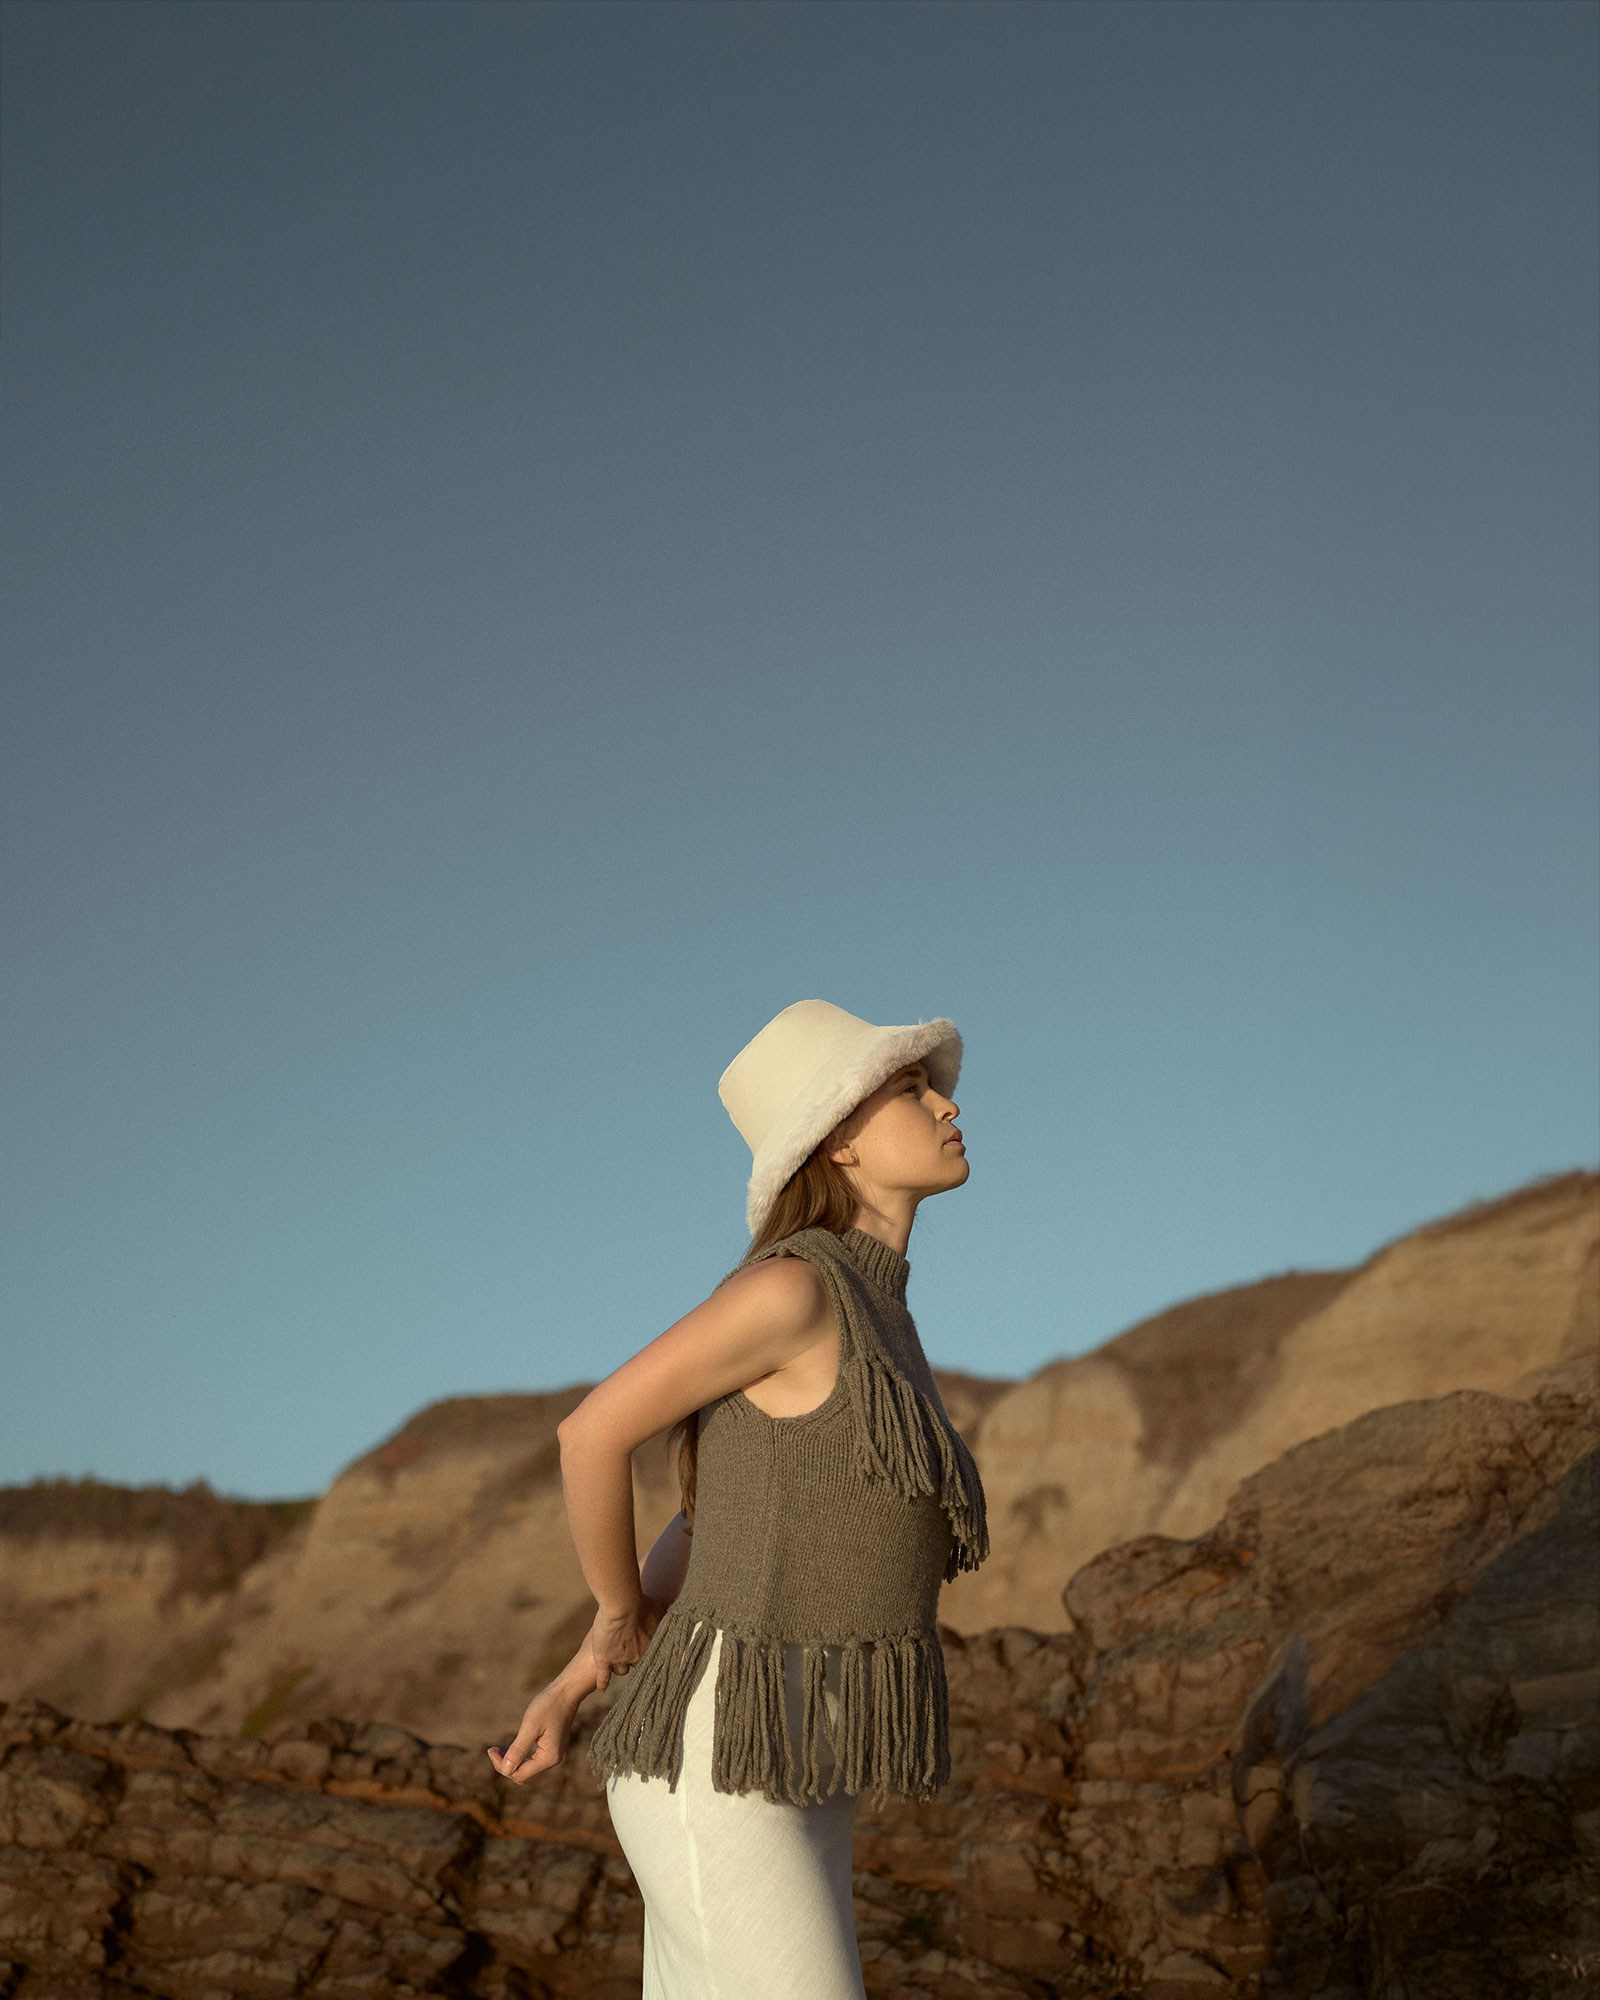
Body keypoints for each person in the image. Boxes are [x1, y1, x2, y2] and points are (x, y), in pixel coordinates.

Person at [488, 997, 990, 1998]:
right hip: (718, 1769)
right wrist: (619, 1612)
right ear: (837, 1141)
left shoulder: (885, 1316)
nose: (945, 1103)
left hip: (803, 1761)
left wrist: (584, 1672)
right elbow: (590, 1433)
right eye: (909, 1088)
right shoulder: (792, 1291)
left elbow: (720, 1518)